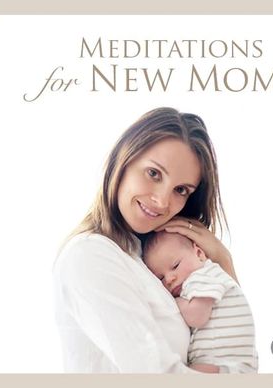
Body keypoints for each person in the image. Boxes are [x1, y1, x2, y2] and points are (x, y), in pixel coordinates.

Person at [53, 107, 240, 373]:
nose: (163, 201)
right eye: (154, 173)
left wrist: (224, 263)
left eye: (181, 190)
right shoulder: (90, 255)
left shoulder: (155, 263)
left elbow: (235, 351)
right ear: (124, 160)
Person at [143, 231, 258, 373]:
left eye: (175, 266)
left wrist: (175, 302)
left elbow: (197, 317)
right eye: (161, 278)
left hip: (227, 365)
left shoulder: (203, 276)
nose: (169, 279)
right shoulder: (201, 279)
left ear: (199, 254)